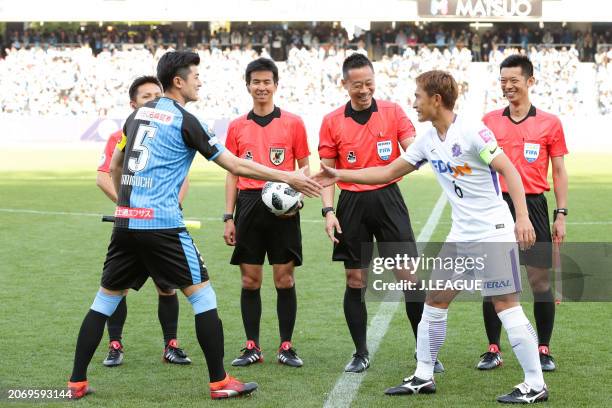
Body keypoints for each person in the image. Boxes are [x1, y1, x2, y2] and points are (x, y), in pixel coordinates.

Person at [67, 51, 321, 400]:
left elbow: (115, 163)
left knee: (104, 301)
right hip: (163, 226)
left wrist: (125, 205)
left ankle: (76, 382)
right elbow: (234, 164)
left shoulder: (137, 115)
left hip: (126, 224)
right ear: (178, 81)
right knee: (203, 297)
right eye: (195, 75)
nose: (199, 81)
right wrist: (286, 175)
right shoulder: (187, 121)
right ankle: (219, 382)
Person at [314, 70, 548, 404]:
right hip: (461, 234)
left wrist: (521, 217)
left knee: (506, 305)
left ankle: (535, 383)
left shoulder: (471, 132)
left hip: (493, 232)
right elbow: (387, 172)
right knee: (434, 303)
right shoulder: (427, 140)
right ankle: (423, 375)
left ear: (436, 99)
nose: (414, 102)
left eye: (418, 96)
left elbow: (509, 168)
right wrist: (339, 173)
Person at [318, 53, 442, 373]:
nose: (364, 90)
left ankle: (425, 352)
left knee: (409, 277)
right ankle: (360, 352)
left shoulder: (393, 111)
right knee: (355, 279)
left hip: (388, 200)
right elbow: (327, 173)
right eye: (357, 84)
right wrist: (329, 211)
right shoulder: (332, 121)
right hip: (351, 205)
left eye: (369, 83)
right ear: (344, 84)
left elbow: (413, 146)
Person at [477, 54, 568, 372]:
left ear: (530, 81)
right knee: (495, 281)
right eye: (503, 81)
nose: (507, 86)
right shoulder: (489, 121)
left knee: (539, 281)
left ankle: (543, 348)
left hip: (534, 207)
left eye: (514, 80)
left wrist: (561, 214)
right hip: (496, 206)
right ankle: (492, 348)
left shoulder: (549, 123)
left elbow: (558, 171)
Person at [95, 75, 191, 367]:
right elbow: (103, 175)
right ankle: (115, 345)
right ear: (133, 103)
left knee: (167, 286)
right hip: (131, 226)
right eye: (146, 96)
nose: (153, 100)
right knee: (117, 287)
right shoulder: (123, 133)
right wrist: (128, 205)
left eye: (156, 95)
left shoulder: (170, 130)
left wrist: (171, 206)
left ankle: (171, 345)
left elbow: (182, 176)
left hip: (161, 223)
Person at [223, 58, 309, 368]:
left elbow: (304, 166)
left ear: (275, 85)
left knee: (284, 280)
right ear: (248, 85)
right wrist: (228, 216)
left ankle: (286, 345)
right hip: (248, 205)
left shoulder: (294, 123)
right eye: (256, 82)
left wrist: (297, 199)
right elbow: (232, 173)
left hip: (283, 206)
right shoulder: (236, 126)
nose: (261, 87)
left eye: (266, 82)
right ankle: (252, 346)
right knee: (250, 280)